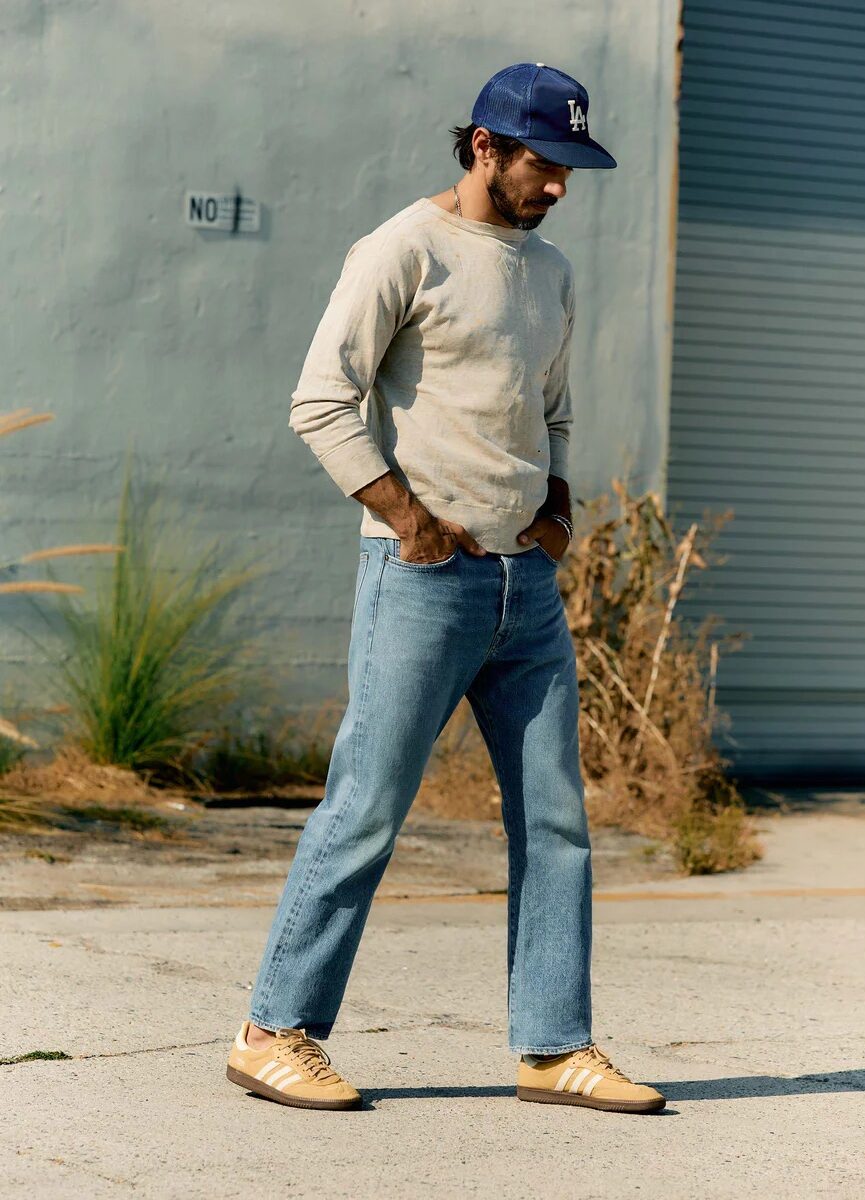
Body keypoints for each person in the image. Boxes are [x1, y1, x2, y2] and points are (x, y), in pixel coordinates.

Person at [226, 62, 666, 1116]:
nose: (560, 185)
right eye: (544, 165)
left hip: (528, 586)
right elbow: (320, 401)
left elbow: (551, 408)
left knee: (555, 820)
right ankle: (272, 1030)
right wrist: (409, 520)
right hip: (422, 578)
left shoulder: (551, 269)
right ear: (482, 148)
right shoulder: (402, 250)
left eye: (571, 168)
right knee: (368, 809)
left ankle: (555, 1047)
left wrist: (558, 512)